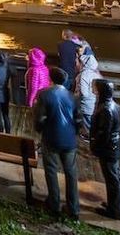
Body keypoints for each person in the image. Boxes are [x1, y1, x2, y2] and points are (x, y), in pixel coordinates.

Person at [34, 67, 82, 220]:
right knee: (71, 173)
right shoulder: (72, 97)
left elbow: (39, 119)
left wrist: (40, 129)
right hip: (69, 140)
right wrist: (73, 132)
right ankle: (73, 208)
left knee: (51, 170)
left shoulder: (45, 94)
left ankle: (54, 204)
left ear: (51, 79)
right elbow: (79, 120)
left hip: (51, 138)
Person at [90, 79, 120, 220]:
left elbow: (104, 132)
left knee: (112, 179)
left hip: (108, 148)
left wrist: (95, 145)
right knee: (116, 177)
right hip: (113, 146)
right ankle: (118, 206)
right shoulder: (112, 105)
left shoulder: (106, 109)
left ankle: (114, 210)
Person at [76, 53, 102, 136]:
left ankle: (89, 137)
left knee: (87, 121)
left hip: (86, 104)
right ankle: (93, 135)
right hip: (95, 103)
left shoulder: (84, 75)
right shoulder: (96, 75)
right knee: (92, 121)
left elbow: (84, 93)